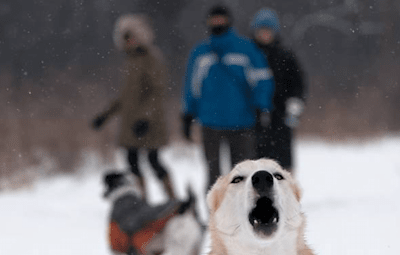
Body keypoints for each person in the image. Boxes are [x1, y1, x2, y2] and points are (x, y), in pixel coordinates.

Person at [182, 5, 274, 193]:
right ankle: (214, 218)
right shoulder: (200, 52)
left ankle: (243, 217)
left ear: (229, 21)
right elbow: (192, 86)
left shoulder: (246, 49)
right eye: (213, 19)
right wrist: (187, 113)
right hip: (210, 122)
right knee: (214, 177)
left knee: (243, 175)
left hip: (242, 121)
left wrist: (261, 107)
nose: (217, 23)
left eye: (221, 19)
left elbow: (263, 79)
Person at [91, 14, 176, 201]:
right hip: (130, 122)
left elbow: (157, 92)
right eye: (125, 38)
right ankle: (141, 201)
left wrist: (146, 118)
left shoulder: (152, 59)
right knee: (132, 163)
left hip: (149, 122)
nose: (129, 41)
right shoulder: (129, 61)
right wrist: (104, 116)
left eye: (132, 37)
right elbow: (125, 97)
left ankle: (173, 201)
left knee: (154, 161)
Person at [250, 8, 306, 172]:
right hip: (253, 117)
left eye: (268, 30)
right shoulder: (248, 54)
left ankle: (286, 193)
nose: (265, 34)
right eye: (261, 30)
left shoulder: (286, 56)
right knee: (255, 162)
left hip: (280, 116)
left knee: (283, 165)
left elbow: (298, 83)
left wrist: (295, 103)